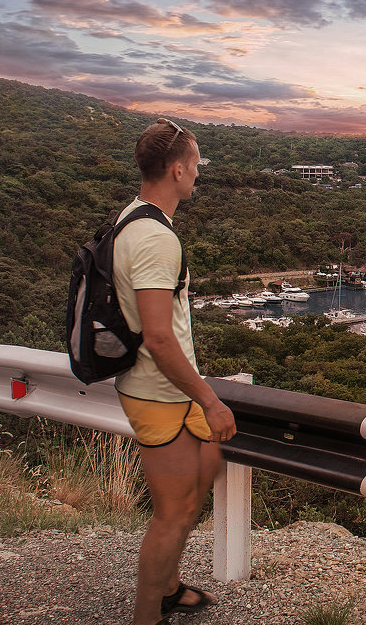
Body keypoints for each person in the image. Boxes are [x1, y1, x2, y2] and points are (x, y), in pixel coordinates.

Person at [112, 118, 237, 625]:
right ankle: (149, 613)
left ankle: (167, 586)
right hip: (158, 393)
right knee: (173, 514)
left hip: (171, 391)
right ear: (178, 168)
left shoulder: (135, 217)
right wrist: (210, 398)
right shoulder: (155, 238)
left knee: (202, 477)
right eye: (197, 165)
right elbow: (159, 337)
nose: (199, 174)